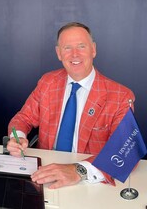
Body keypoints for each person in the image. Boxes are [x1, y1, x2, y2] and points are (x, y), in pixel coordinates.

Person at [7, 22, 135, 189]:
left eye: (81, 46)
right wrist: (18, 137)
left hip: (89, 181)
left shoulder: (121, 96)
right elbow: (23, 118)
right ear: (59, 53)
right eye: (67, 48)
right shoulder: (48, 82)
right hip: (43, 172)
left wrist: (78, 170)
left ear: (93, 50)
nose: (75, 54)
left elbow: (125, 153)